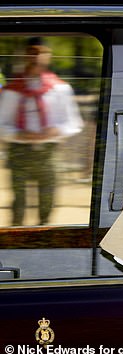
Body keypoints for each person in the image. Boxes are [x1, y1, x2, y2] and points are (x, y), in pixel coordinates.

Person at [0, 38, 83, 225]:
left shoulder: (60, 89)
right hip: (19, 151)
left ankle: (42, 240)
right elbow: (1, 123)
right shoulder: (12, 90)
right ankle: (17, 244)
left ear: (48, 56)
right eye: (32, 52)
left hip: (48, 152)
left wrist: (56, 131)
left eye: (41, 52)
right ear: (25, 55)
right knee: (18, 203)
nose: (36, 57)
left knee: (47, 200)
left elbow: (73, 123)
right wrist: (18, 134)